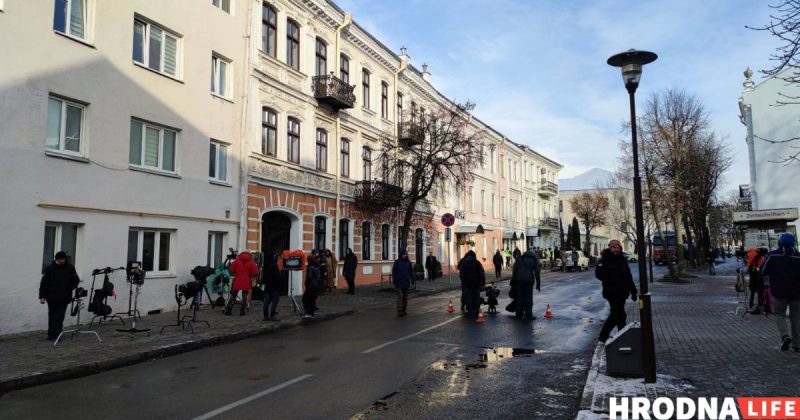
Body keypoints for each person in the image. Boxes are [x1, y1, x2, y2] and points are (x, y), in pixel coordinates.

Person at [761, 233, 800, 352]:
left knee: (779, 314)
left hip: (779, 291)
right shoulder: (798, 256)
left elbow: (763, 270)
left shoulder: (773, 255)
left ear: (779, 242)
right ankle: (797, 345)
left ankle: (785, 335)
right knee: (796, 317)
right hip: (797, 293)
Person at [595, 240, 638, 343]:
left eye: (618, 248)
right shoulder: (604, 259)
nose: (616, 250)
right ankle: (622, 337)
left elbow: (628, 277)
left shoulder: (623, 260)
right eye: (614, 248)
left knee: (615, 315)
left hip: (622, 292)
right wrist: (610, 279)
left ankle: (603, 336)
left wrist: (634, 292)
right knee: (620, 315)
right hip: (611, 292)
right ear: (610, 248)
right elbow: (598, 274)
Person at [39, 251, 79, 340]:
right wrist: (42, 296)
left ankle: (57, 335)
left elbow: (76, 280)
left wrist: (70, 288)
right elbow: (44, 284)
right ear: (56, 260)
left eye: (63, 259)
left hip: (64, 297)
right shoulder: (49, 269)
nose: (61, 261)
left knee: (59, 317)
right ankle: (51, 335)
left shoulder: (70, 268)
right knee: (52, 316)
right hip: (51, 297)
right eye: (59, 259)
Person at [511, 248, 541, 321]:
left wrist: (513, 281)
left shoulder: (520, 258)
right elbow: (537, 272)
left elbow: (514, 270)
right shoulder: (534, 259)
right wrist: (538, 283)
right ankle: (528, 315)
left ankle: (518, 314)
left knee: (520, 298)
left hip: (519, 280)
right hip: (529, 281)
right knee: (528, 299)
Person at [458, 250, 486, 319]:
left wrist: (464, 282)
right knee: (476, 298)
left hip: (467, 285)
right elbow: (482, 273)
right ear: (474, 256)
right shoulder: (477, 263)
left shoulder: (464, 263)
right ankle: (476, 312)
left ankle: (470, 312)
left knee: (469, 298)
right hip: (476, 284)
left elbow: (461, 274)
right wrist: (483, 283)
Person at [392, 248, 414, 316]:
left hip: (406, 282)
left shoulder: (408, 262)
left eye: (406, 254)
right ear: (401, 255)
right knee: (400, 296)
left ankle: (404, 310)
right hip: (399, 282)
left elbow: (411, 271)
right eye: (404, 254)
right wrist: (395, 280)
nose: (405, 255)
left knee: (405, 297)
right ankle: (399, 310)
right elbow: (394, 272)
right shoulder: (397, 262)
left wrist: (412, 279)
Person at [262, 253, 281, 321]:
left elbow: (263, 277)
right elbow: (278, 276)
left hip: (267, 286)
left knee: (266, 302)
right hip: (274, 286)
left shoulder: (265, 266)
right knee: (275, 301)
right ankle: (272, 315)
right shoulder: (274, 265)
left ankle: (265, 316)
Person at [747, 248, 766, 313]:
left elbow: (749, 269)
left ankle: (751, 304)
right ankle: (759, 305)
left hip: (753, 279)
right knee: (760, 293)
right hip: (759, 279)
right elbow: (763, 269)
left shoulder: (754, 258)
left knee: (753, 292)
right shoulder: (762, 259)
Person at [302, 253, 321, 318]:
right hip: (316, 285)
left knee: (305, 299)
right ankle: (312, 313)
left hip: (311, 285)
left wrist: (306, 284)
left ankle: (308, 313)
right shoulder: (316, 266)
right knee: (312, 300)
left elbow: (309, 277)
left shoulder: (310, 267)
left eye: (308, 260)